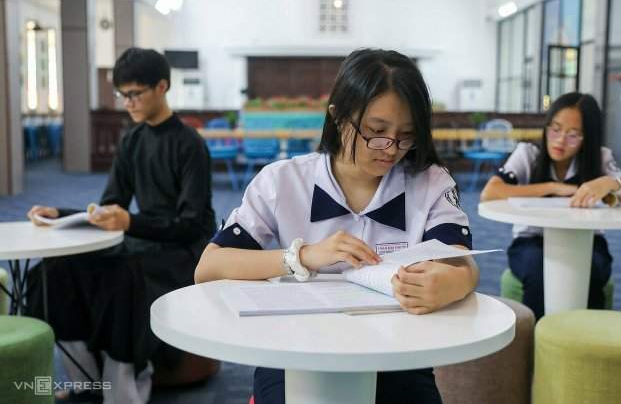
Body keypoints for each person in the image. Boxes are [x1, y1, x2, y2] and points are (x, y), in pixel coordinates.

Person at [195, 48, 479, 404]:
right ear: (339, 117)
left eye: (406, 135)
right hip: (293, 351)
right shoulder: (283, 181)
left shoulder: (430, 183)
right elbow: (209, 267)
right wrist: (303, 256)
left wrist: (454, 281)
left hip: (398, 352)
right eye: (376, 131)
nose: (391, 149)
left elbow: (461, 261)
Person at [26, 47, 215, 403]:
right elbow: (111, 205)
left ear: (162, 87)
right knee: (56, 270)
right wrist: (62, 213)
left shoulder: (189, 144)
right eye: (122, 94)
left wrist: (131, 222)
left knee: (121, 277)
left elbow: (190, 224)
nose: (127, 102)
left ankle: (124, 389)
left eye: (134, 93)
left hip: (184, 251)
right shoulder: (132, 140)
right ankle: (86, 379)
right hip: (142, 241)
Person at [480, 92, 621, 319]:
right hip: (530, 242)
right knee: (537, 272)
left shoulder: (600, 158)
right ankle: (541, 344)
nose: (560, 140)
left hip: (587, 242)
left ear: (588, 138)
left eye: (573, 135)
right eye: (554, 129)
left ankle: (585, 346)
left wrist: (612, 184)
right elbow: (490, 192)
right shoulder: (528, 154)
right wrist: (553, 187)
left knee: (589, 274)